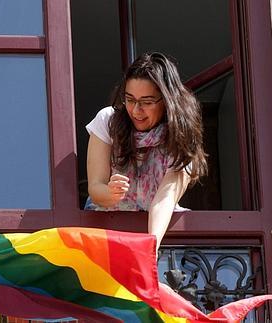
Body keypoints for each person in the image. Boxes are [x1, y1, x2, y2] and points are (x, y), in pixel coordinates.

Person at [85, 52, 207, 250]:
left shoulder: (180, 135)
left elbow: (165, 198)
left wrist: (151, 248)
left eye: (147, 102)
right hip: (106, 236)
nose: (136, 110)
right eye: (130, 99)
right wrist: (110, 192)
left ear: (167, 101)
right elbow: (95, 188)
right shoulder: (107, 121)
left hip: (157, 236)